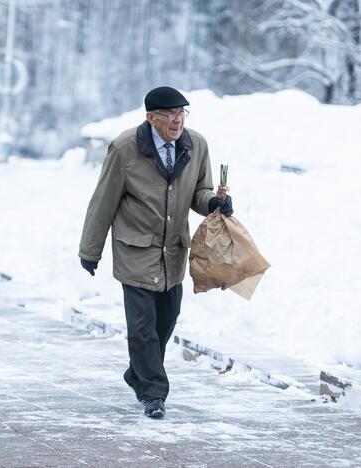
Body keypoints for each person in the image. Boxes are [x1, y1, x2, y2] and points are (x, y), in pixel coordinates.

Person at [78, 86, 233, 418]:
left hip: (173, 253)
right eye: (170, 114)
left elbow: (200, 190)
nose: (178, 120)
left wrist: (213, 203)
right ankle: (153, 393)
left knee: (166, 321)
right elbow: (103, 201)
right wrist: (90, 250)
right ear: (151, 117)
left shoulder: (195, 144)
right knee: (143, 327)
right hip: (135, 250)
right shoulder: (125, 148)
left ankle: (138, 373)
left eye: (182, 113)